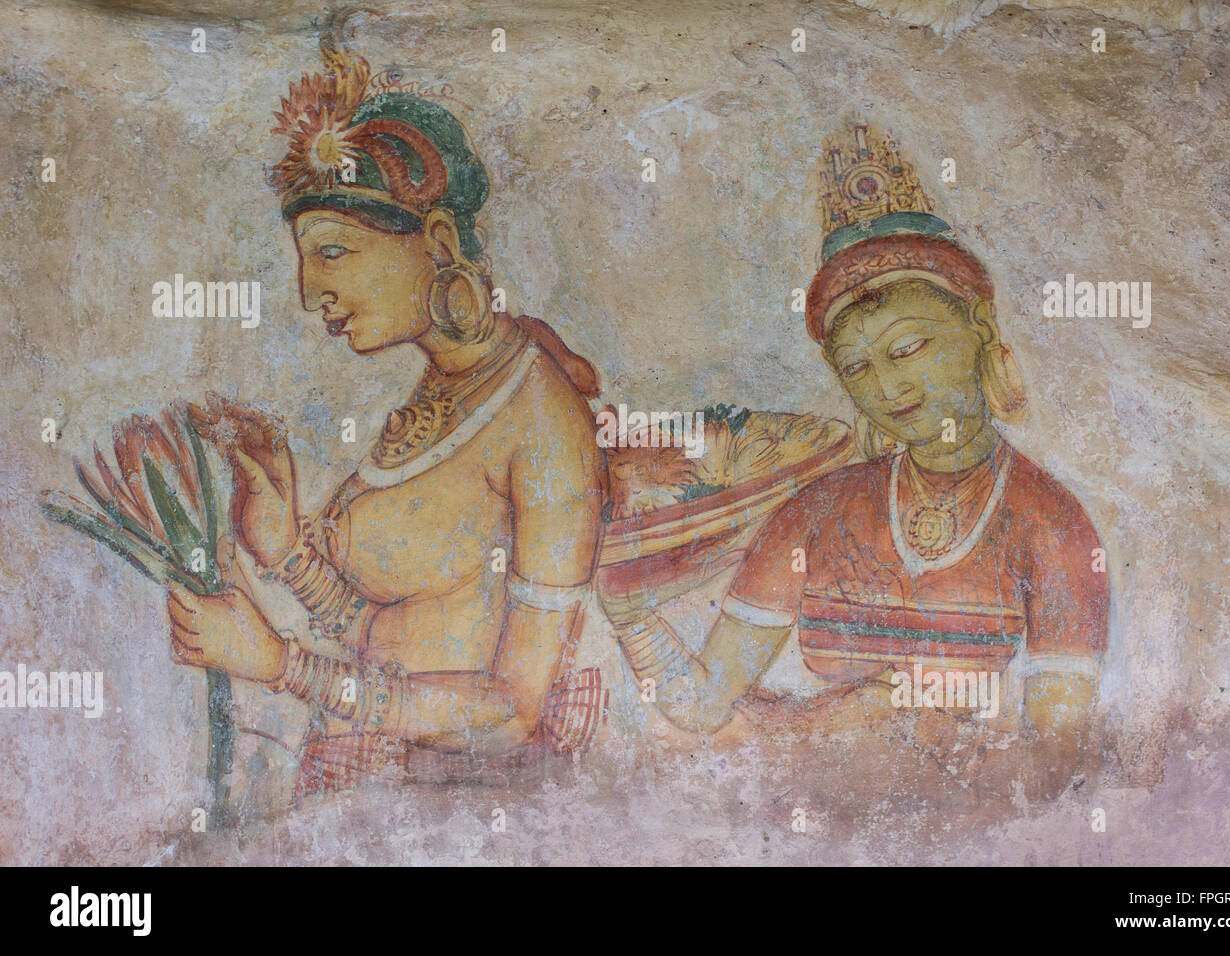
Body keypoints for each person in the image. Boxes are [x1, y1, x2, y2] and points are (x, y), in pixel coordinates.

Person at [165, 35, 606, 795]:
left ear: (436, 242)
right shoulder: (441, 393)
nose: (310, 292)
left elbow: (509, 711)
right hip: (365, 786)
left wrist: (278, 665)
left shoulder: (543, 422)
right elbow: (382, 635)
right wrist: (285, 550)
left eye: (333, 252)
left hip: (461, 811)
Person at [614, 124, 1109, 801]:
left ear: (979, 333)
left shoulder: (1051, 525)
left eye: (907, 349)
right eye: (857, 368)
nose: (887, 389)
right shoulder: (818, 510)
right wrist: (630, 613)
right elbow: (700, 706)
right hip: (809, 797)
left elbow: (1052, 767)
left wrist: (918, 740)